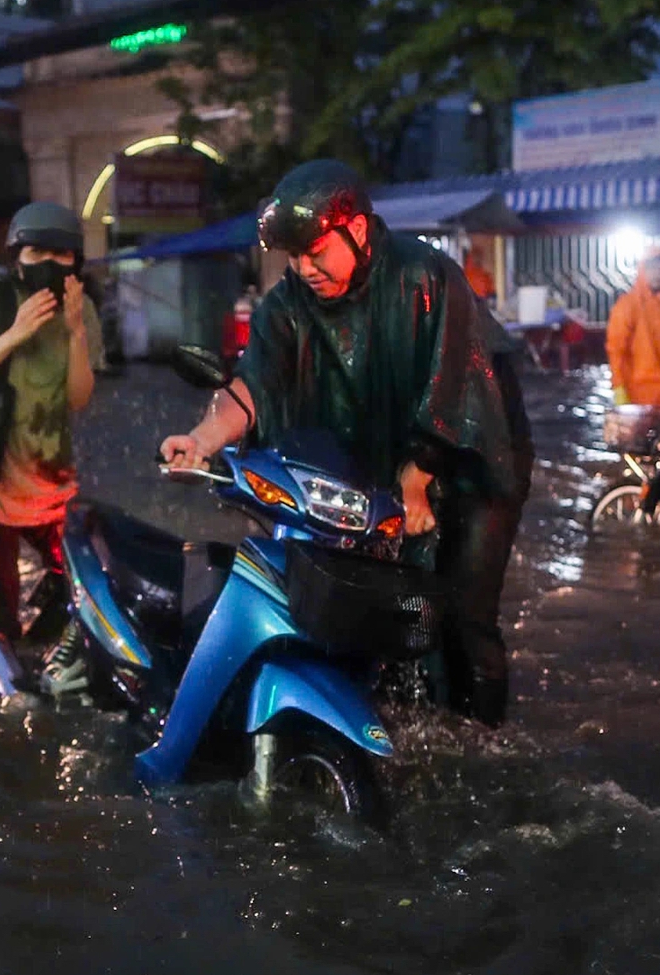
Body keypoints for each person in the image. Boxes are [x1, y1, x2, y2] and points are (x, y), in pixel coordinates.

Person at [160, 161, 529, 726]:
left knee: (464, 616)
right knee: (392, 609)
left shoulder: (425, 275)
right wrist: (204, 439)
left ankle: (485, 741)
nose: (305, 269)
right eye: (294, 257)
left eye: (315, 252)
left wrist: (418, 478)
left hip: (471, 463)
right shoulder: (287, 305)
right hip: (385, 465)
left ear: (356, 230)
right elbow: (255, 382)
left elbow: (452, 390)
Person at [0, 200, 102, 664]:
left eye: (61, 255)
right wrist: (14, 333)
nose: (49, 265)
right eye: (37, 254)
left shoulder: (81, 308)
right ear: (18, 255)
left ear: (76, 262)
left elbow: (78, 399)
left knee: (81, 595)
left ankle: (40, 667)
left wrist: (75, 333)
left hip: (51, 490)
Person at [606, 246, 660, 407]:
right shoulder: (628, 304)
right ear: (642, 270)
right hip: (641, 393)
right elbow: (616, 350)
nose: (658, 272)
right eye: (652, 267)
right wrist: (619, 387)